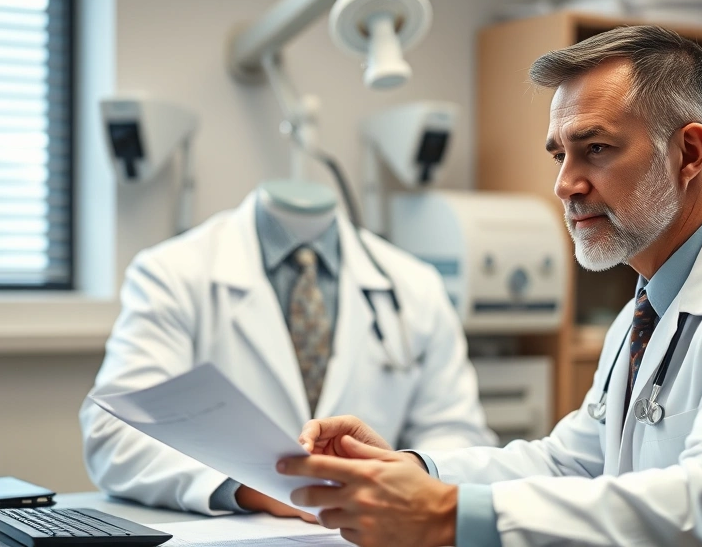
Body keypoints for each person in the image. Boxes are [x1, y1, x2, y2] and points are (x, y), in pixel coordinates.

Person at [279, 25, 702, 547]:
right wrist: (413, 470)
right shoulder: (644, 311)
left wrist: (447, 516)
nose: (565, 184)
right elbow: (570, 462)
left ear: (688, 152)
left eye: (595, 149)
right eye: (559, 156)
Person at [79, 185, 495, 518]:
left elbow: (458, 436)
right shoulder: (172, 272)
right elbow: (116, 434)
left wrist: (390, 480)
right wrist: (257, 489)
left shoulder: (414, 285)